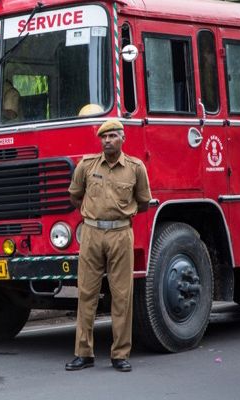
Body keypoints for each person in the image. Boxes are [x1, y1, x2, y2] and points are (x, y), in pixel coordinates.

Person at [66, 119, 151, 373]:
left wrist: (120, 217)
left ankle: (120, 354)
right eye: (103, 137)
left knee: (122, 296)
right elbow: (74, 195)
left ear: (122, 139)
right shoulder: (86, 165)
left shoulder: (136, 168)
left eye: (112, 136)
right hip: (91, 233)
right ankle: (84, 353)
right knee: (86, 294)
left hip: (120, 234)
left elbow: (143, 202)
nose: (107, 141)